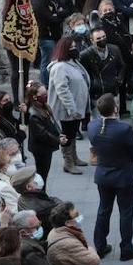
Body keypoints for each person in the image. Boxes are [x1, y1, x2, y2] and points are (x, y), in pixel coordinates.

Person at [86, 94, 133, 261]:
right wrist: (127, 165)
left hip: (103, 175)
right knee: (126, 212)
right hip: (123, 176)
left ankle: (100, 246)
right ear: (115, 109)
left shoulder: (92, 126)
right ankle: (126, 248)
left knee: (103, 210)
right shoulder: (123, 129)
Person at [45, 37, 89, 171]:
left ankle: (74, 157)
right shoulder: (59, 67)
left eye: (75, 46)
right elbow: (62, 90)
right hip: (66, 110)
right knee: (67, 135)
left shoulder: (73, 63)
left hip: (76, 107)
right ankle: (68, 162)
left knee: (73, 132)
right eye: (71, 47)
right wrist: (72, 108)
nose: (74, 49)